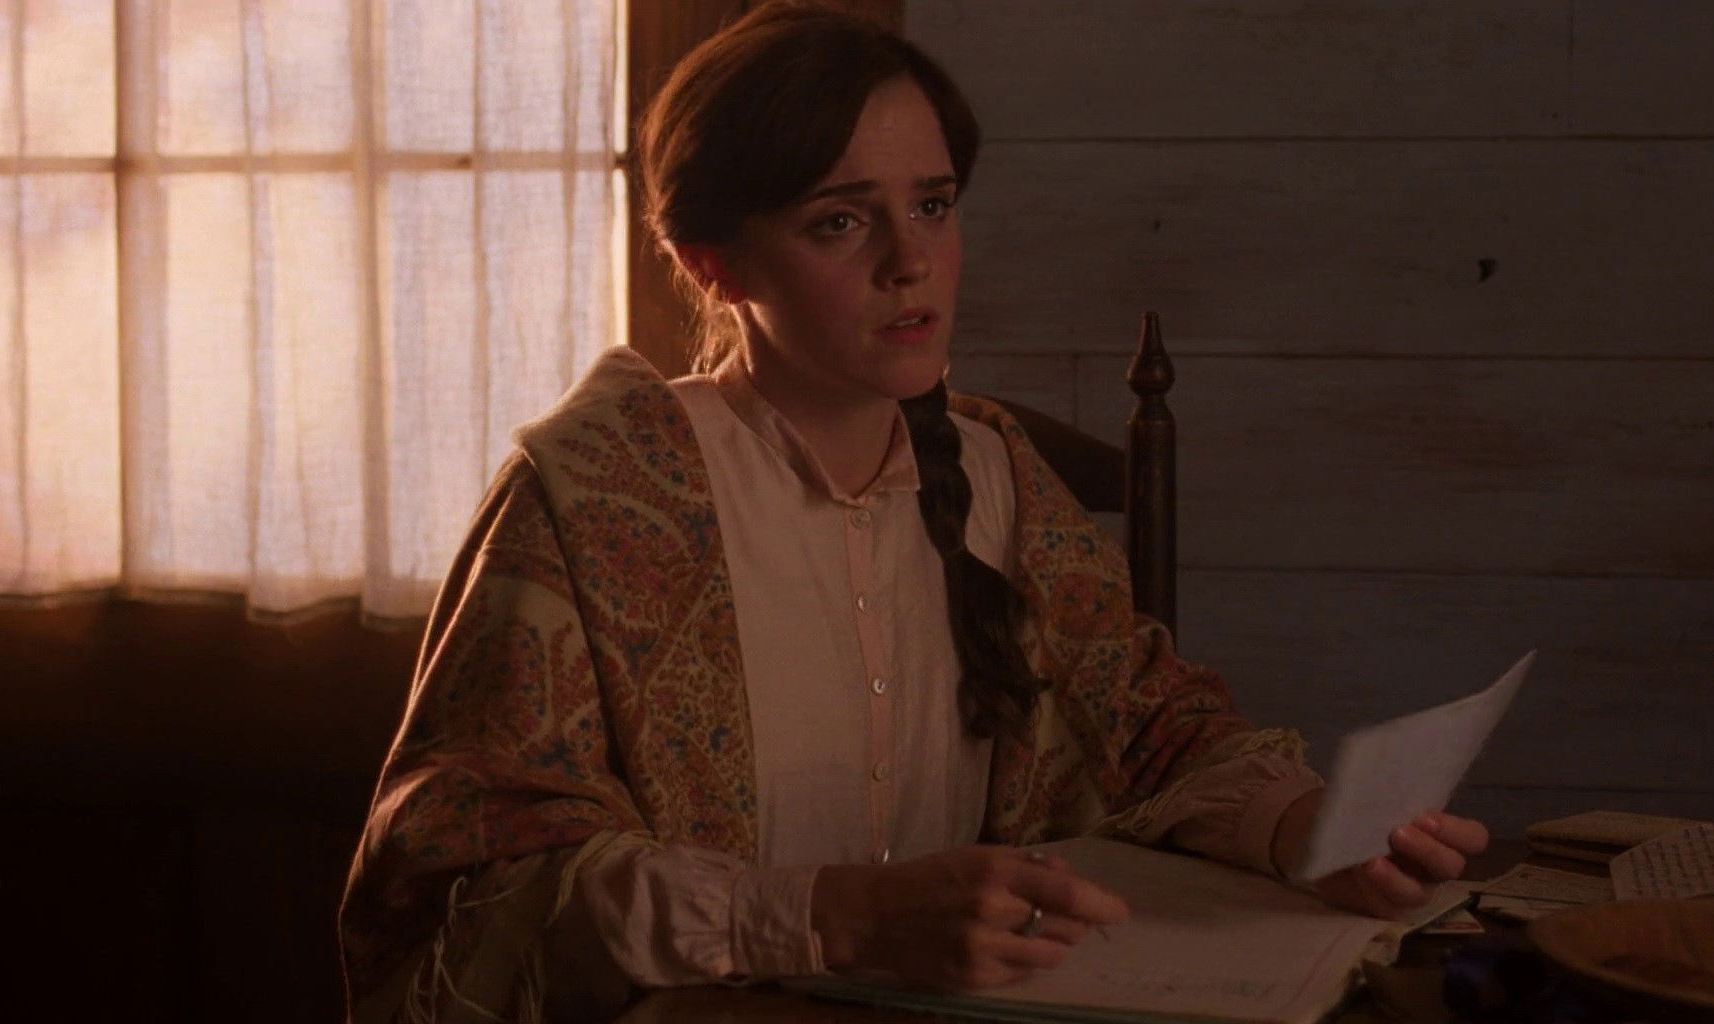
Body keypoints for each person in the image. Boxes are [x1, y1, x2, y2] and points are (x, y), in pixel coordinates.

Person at [338, 4, 1490, 1021]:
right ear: (712, 266)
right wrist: (828, 916)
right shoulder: (594, 500)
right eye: (840, 221)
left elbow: (1145, 728)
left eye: (931, 205)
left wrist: (1305, 832)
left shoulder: (998, 480)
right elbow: (472, 885)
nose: (911, 263)